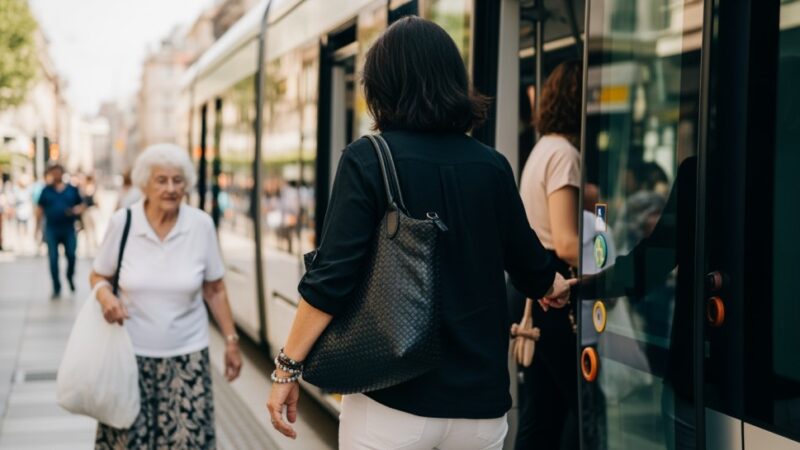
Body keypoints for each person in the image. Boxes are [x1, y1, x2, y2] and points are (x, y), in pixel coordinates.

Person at [266, 17, 574, 450]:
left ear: (381, 86)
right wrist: (554, 285)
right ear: (453, 81)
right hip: (480, 413)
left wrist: (287, 370)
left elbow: (331, 280)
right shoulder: (492, 165)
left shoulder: (368, 159)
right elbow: (532, 267)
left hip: (392, 405)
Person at [90, 143, 242, 449]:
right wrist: (106, 297)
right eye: (162, 180)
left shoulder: (200, 225)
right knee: (129, 442)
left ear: (187, 184)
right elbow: (98, 275)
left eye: (178, 180)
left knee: (186, 441)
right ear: (146, 183)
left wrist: (230, 341)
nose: (171, 188)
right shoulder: (124, 223)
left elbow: (215, 288)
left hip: (187, 359)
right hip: (130, 358)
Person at [510, 60, 583, 450]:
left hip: (532, 289)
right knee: (585, 406)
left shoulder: (542, 149)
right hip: (553, 294)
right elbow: (568, 243)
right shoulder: (566, 156)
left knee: (542, 412)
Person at [36, 164, 84, 298]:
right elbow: (39, 210)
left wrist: (75, 210)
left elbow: (81, 205)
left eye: (58, 172)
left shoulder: (72, 190)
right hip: (52, 229)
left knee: (71, 255)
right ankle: (56, 286)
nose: (56, 175)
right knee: (53, 258)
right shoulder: (46, 190)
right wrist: (37, 228)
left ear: (62, 173)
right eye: (54, 172)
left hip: (68, 228)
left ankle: (69, 276)